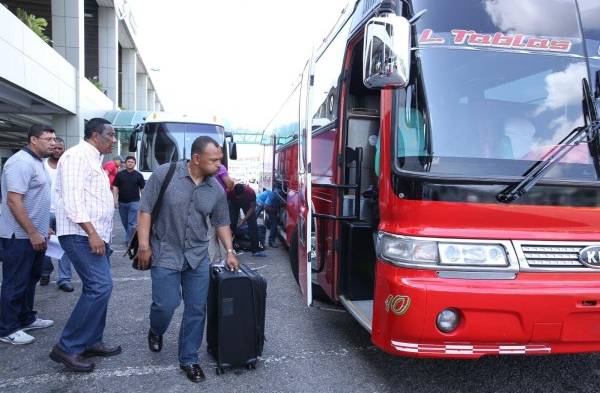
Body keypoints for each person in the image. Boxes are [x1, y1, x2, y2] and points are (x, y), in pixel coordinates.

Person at [137, 136, 240, 383]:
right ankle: (156, 329)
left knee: (196, 309)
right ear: (196, 158)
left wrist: (229, 251)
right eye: (214, 160)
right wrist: (143, 246)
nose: (219, 165)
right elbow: (145, 210)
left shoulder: (215, 188)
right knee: (166, 304)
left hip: (197, 255)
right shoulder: (165, 174)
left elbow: (221, 222)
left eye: (221, 160)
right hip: (164, 251)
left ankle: (189, 358)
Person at [49, 118, 121, 373]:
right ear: (94, 135)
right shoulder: (76, 156)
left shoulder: (94, 159)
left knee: (99, 287)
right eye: (110, 135)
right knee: (100, 286)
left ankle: (91, 341)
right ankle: (67, 347)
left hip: (95, 235)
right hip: (80, 234)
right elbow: (72, 200)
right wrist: (91, 233)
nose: (114, 140)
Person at [0, 124, 56, 345]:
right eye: (48, 139)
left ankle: (25, 318)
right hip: (19, 236)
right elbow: (14, 201)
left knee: (30, 279)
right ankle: (7, 328)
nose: (53, 142)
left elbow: (37, 199)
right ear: (33, 139)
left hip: (35, 234)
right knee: (14, 282)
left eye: (54, 138)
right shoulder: (21, 162)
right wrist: (33, 232)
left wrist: (44, 228)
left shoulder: (37, 162)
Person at [40, 137, 74, 292]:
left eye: (60, 148)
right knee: (42, 244)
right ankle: (45, 271)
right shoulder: (41, 165)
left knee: (65, 245)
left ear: (64, 149)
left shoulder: (68, 166)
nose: (57, 151)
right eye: (54, 148)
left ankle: (64, 279)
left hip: (63, 211)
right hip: (44, 210)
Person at [112, 155, 145, 245]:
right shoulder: (119, 175)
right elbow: (115, 187)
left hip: (134, 202)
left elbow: (142, 189)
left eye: (132, 162)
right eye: (129, 162)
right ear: (125, 163)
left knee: (131, 223)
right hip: (122, 202)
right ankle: (131, 237)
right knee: (125, 222)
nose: (130, 163)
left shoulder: (139, 175)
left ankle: (129, 241)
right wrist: (115, 200)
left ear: (135, 164)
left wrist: (144, 201)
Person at [228, 183, 266, 257]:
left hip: (247, 205)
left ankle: (255, 250)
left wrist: (243, 220)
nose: (238, 197)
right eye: (237, 196)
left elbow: (252, 208)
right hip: (234, 204)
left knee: (253, 226)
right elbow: (228, 203)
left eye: (240, 196)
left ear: (244, 192)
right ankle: (232, 248)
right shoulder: (231, 192)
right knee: (232, 224)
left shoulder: (250, 192)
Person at [208, 163, 234, 262]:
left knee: (210, 234)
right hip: (219, 202)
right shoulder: (220, 167)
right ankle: (226, 259)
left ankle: (214, 263)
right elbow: (229, 184)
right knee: (223, 230)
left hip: (207, 202)